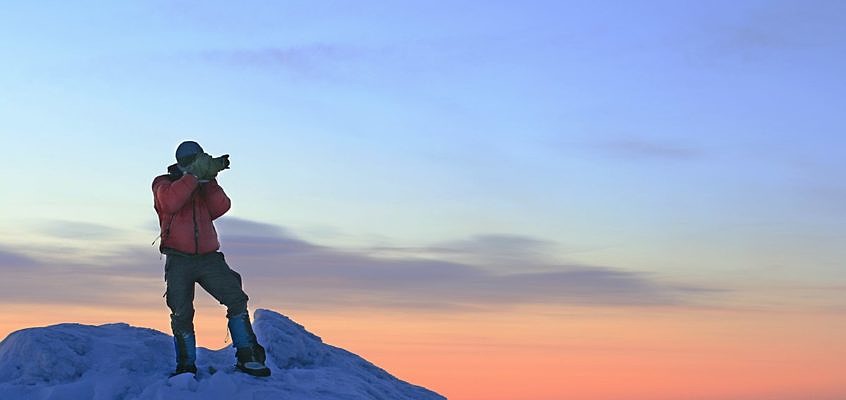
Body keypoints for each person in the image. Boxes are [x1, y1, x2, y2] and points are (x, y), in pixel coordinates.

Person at [152, 140, 270, 377]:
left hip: (209, 257)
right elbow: (171, 203)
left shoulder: (201, 185)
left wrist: (210, 180)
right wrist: (193, 177)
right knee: (181, 311)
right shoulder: (163, 183)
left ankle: (248, 357)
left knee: (236, 299)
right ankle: (186, 365)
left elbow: (221, 207)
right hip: (178, 259)